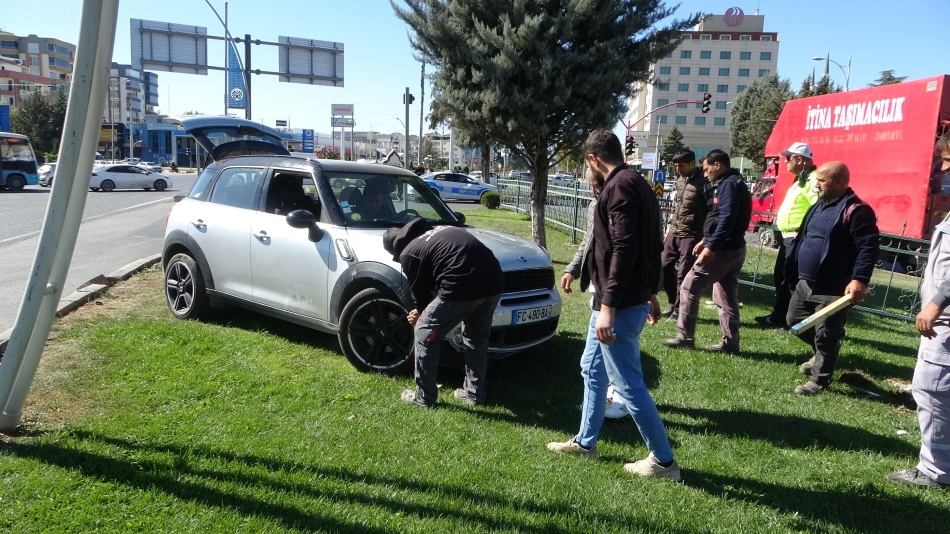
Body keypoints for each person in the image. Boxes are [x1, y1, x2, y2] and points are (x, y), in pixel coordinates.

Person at [546, 129, 680, 483]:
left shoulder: (619, 186)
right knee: (592, 370)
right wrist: (650, 292)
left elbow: (625, 248)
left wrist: (609, 306)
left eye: (585, 164)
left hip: (617, 306)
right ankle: (585, 443)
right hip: (619, 300)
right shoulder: (637, 184)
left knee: (628, 384)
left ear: (593, 159)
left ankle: (664, 462)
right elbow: (650, 246)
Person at [382, 218, 503, 408]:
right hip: (494, 282)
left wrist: (420, 315)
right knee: (476, 337)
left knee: (423, 332)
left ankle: (423, 397)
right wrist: (424, 310)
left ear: (394, 249)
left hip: (461, 285)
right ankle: (474, 394)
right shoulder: (436, 231)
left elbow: (420, 294)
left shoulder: (408, 252)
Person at [784, 162, 879, 395]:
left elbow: (868, 247)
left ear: (839, 182)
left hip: (833, 286)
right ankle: (820, 354)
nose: (816, 185)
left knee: (826, 334)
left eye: (821, 181)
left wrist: (859, 279)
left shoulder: (857, 210)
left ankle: (818, 380)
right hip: (805, 282)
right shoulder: (818, 205)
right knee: (794, 321)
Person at [887, 133, 950, 489]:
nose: (944, 168)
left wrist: (937, 303)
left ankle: (936, 471)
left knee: (933, 391)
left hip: (945, 322)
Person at [662, 149, 752, 354]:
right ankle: (730, 343)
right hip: (734, 249)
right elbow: (721, 218)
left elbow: (727, 219)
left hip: (723, 250)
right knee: (726, 298)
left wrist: (711, 246)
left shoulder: (728, 185)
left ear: (717, 165)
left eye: (706, 169)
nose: (705, 174)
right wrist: (706, 239)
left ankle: (684, 336)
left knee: (688, 287)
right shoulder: (735, 182)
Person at [755, 142, 819, 330]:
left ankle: (790, 320)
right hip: (788, 238)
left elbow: (817, 209)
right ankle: (779, 315)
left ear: (800, 159)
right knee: (781, 277)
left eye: (788, 158)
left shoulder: (813, 180)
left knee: (790, 280)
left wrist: (803, 233)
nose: (785, 162)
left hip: (797, 238)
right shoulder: (800, 179)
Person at [660, 149, 713, 320]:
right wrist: (669, 228)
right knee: (663, 267)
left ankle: (679, 309)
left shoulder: (705, 182)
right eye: (676, 166)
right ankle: (672, 303)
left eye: (681, 166)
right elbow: (677, 206)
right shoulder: (680, 180)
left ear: (692, 163)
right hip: (674, 232)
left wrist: (705, 237)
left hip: (692, 234)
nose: (678, 169)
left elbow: (712, 210)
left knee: (684, 273)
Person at [560, 168, 602, 295]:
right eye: (591, 186)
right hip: (597, 286)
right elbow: (587, 241)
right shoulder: (594, 205)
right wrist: (572, 270)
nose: (593, 190)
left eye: (596, 186)